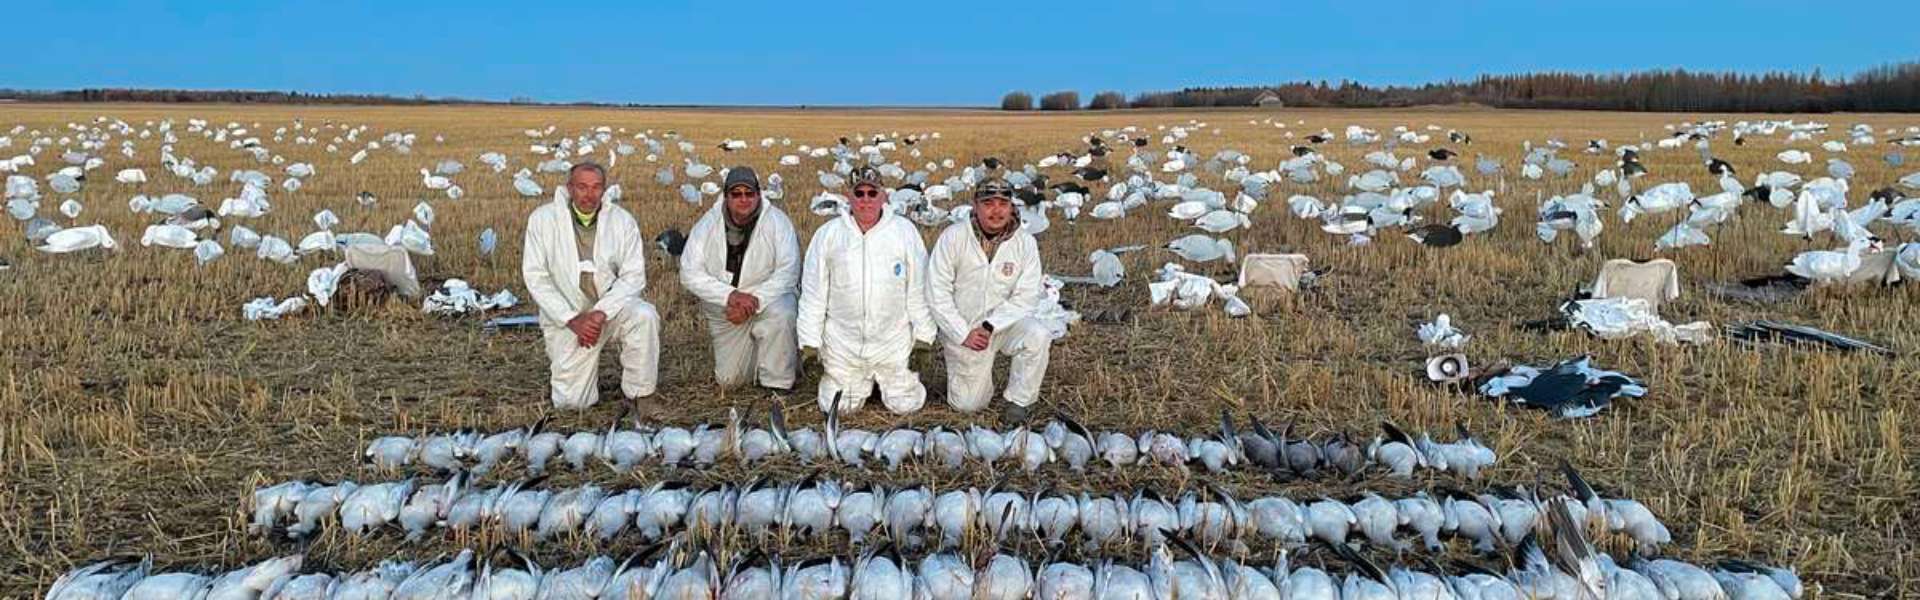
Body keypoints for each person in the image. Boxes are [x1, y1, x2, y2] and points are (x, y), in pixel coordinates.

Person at [521, 162, 661, 410]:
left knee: (644, 315)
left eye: (596, 187)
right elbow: (536, 277)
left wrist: (600, 313)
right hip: (568, 318)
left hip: (609, 310)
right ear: (569, 188)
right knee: (572, 403)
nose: (589, 194)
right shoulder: (542, 220)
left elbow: (633, 277)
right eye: (582, 187)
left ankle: (640, 396)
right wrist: (572, 319)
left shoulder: (622, 221)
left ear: (604, 190)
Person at [796, 166, 935, 414]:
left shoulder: (904, 232)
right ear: (849, 196)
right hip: (843, 343)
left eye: (873, 193)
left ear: (883, 196)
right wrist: (809, 344)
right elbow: (813, 296)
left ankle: (887, 383)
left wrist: (924, 338)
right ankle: (856, 382)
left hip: (891, 342)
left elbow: (919, 290)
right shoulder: (828, 235)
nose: (866, 200)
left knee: (907, 405)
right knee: (837, 408)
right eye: (859, 193)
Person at [926, 179, 1050, 421]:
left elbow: (1026, 296)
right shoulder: (953, 238)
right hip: (966, 328)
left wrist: (991, 325)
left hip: (1003, 325)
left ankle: (1019, 400)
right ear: (975, 206)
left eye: (1003, 203)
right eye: (988, 203)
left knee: (1038, 334)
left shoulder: (1025, 243)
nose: (997, 210)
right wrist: (963, 333)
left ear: (1011, 206)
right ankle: (975, 377)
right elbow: (936, 293)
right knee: (968, 405)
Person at [679, 167, 801, 390]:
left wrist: (753, 302)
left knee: (783, 313)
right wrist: (731, 296)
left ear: (758, 194)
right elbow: (689, 273)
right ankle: (773, 352)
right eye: (736, 194)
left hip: (768, 300)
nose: (744, 199)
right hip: (727, 308)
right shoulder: (707, 225)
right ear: (726, 196)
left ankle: (778, 383)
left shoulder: (778, 223)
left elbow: (789, 271)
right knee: (730, 381)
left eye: (749, 193)